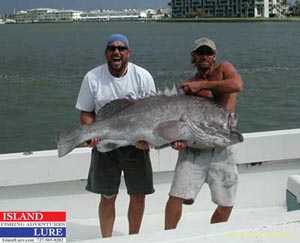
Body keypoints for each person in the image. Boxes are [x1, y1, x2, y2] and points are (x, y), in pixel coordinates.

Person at [75, 33, 156, 237]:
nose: (116, 52)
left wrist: (147, 140)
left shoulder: (143, 76)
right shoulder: (92, 77)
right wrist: (91, 133)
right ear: (106, 53)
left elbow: (154, 114)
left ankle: (134, 237)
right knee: (107, 195)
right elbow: (86, 112)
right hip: (105, 144)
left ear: (128, 53)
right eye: (112, 48)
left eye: (121, 48)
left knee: (138, 195)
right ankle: (106, 239)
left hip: (136, 146)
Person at [165, 37, 243, 229]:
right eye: (201, 53)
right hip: (194, 149)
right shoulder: (188, 86)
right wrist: (175, 140)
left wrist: (203, 86)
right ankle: (168, 237)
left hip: (222, 147)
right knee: (177, 196)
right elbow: (175, 118)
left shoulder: (224, 70)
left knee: (226, 203)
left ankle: (211, 234)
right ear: (194, 56)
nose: (205, 56)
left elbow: (237, 85)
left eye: (209, 53)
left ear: (214, 56)